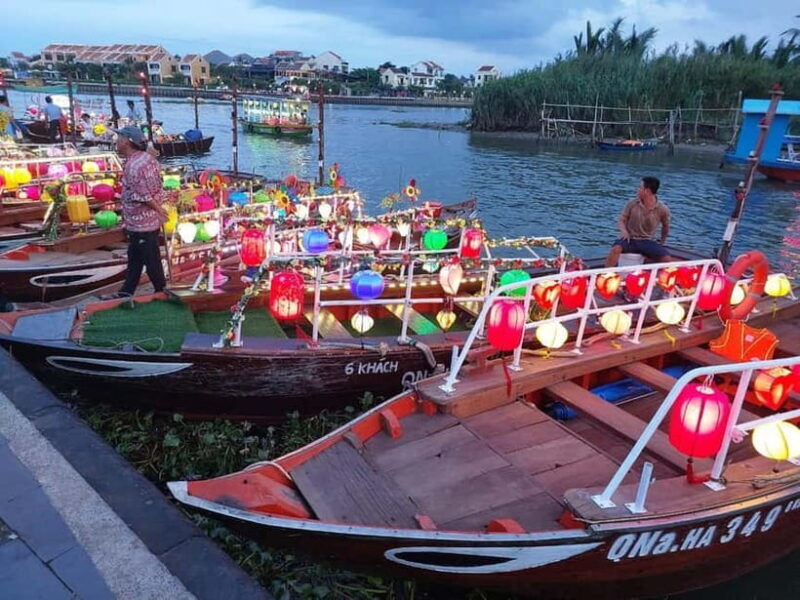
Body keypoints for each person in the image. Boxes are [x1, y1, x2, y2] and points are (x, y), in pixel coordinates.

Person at [114, 126, 168, 297]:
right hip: (143, 221)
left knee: (151, 259)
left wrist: (161, 211)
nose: (116, 142)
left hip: (142, 221)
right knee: (135, 255)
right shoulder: (147, 158)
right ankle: (127, 290)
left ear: (126, 141)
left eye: (119, 138)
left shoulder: (133, 166)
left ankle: (161, 291)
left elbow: (143, 196)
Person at [605, 176, 673, 267]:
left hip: (647, 240)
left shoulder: (662, 209)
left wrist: (662, 242)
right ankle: (605, 273)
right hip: (630, 239)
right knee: (615, 249)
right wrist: (624, 232)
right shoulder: (632, 203)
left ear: (647, 191)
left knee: (667, 260)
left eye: (640, 188)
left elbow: (665, 226)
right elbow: (622, 219)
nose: (637, 190)